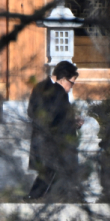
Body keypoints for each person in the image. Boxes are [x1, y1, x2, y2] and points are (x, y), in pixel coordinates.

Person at [26, 61, 84, 202]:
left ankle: (36, 197)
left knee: (50, 171)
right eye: (72, 83)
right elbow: (51, 115)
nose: (71, 87)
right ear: (63, 79)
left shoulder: (42, 87)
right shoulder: (55, 91)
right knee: (56, 169)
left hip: (48, 139)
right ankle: (43, 197)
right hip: (52, 139)